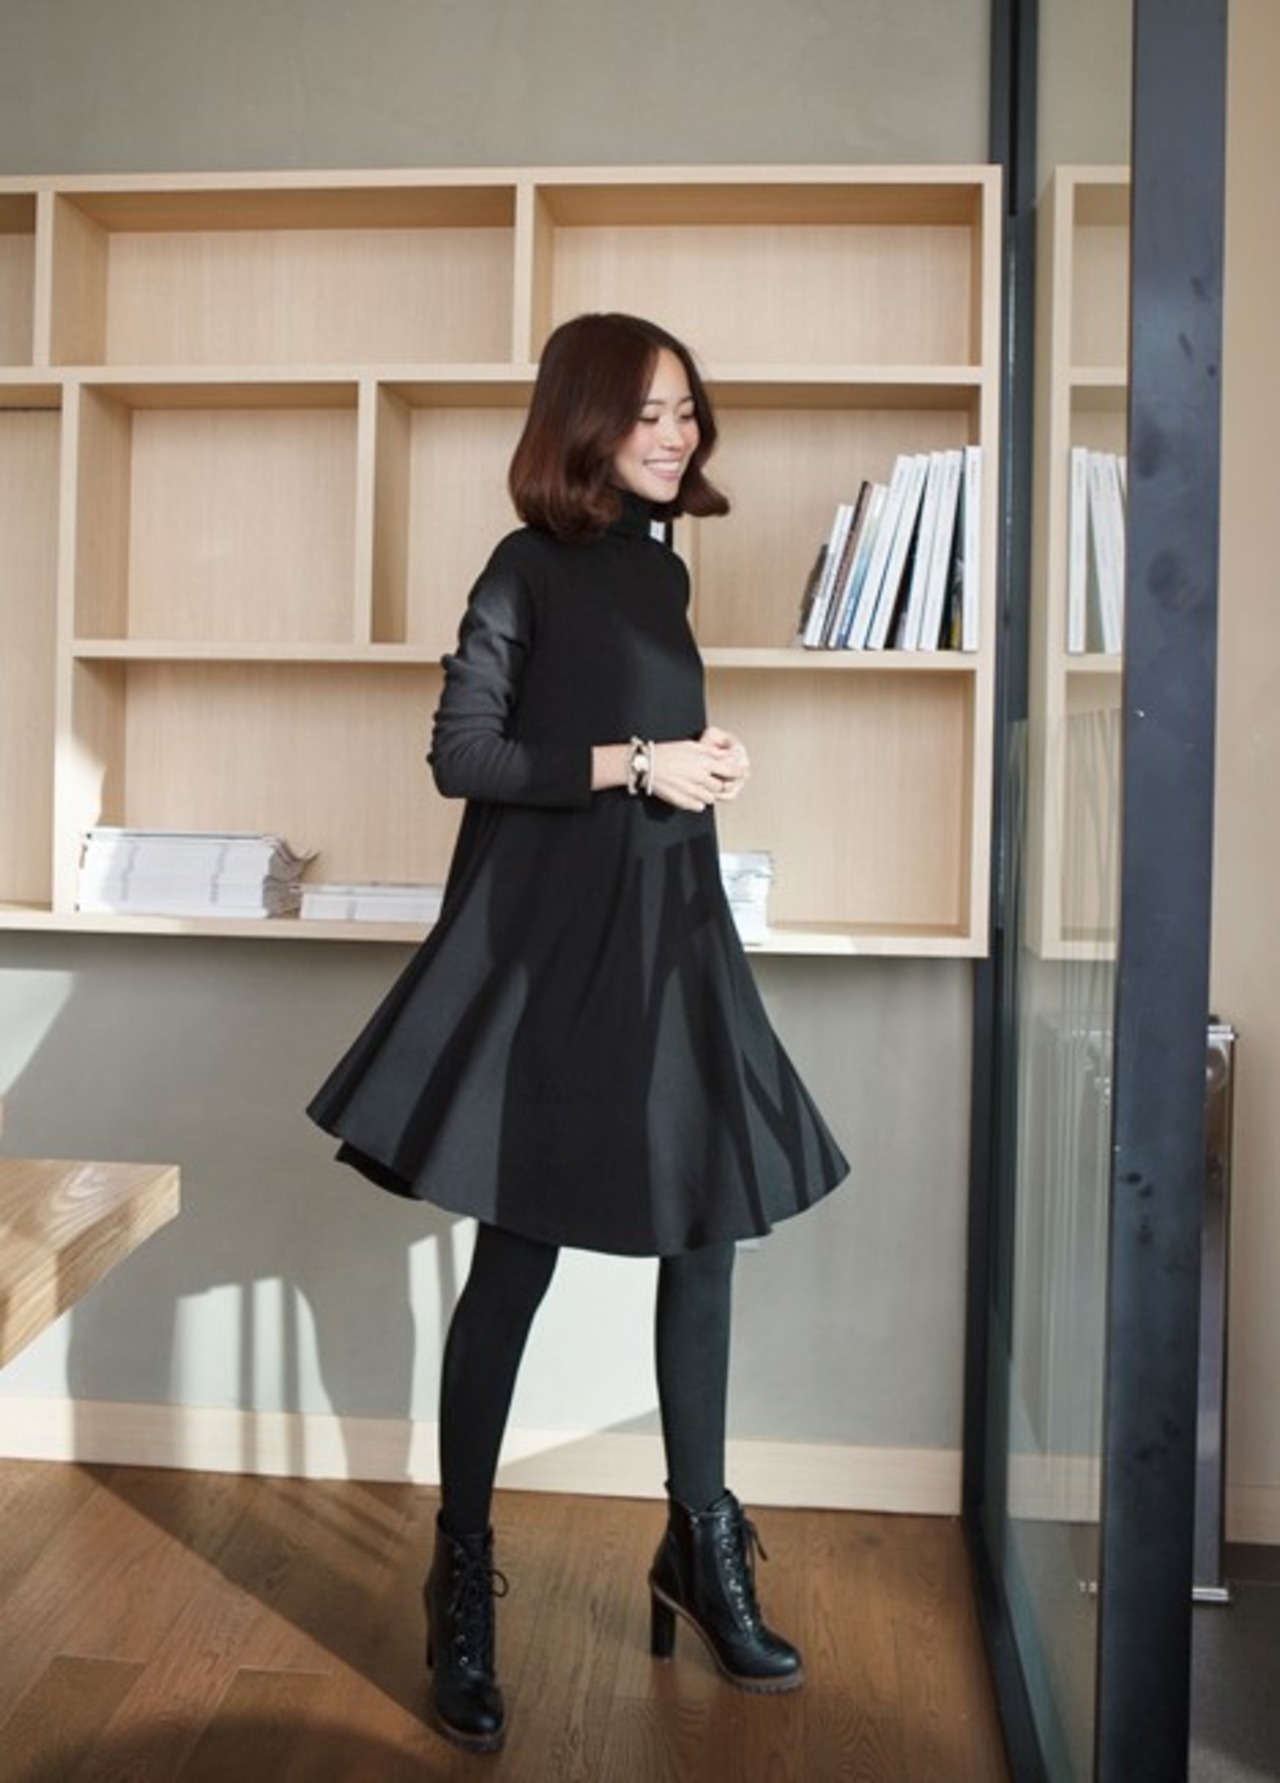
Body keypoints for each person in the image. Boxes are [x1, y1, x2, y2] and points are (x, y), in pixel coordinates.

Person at [308, 311, 849, 1754]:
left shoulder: (663, 569)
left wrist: (700, 765)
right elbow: (464, 755)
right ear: (584, 422)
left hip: (672, 942)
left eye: (687, 410)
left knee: (705, 1236)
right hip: (552, 962)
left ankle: (700, 1547)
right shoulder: (523, 566)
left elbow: (642, 755)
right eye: (648, 412)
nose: (677, 433)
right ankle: (461, 1579)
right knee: (518, 1256)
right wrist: (640, 761)